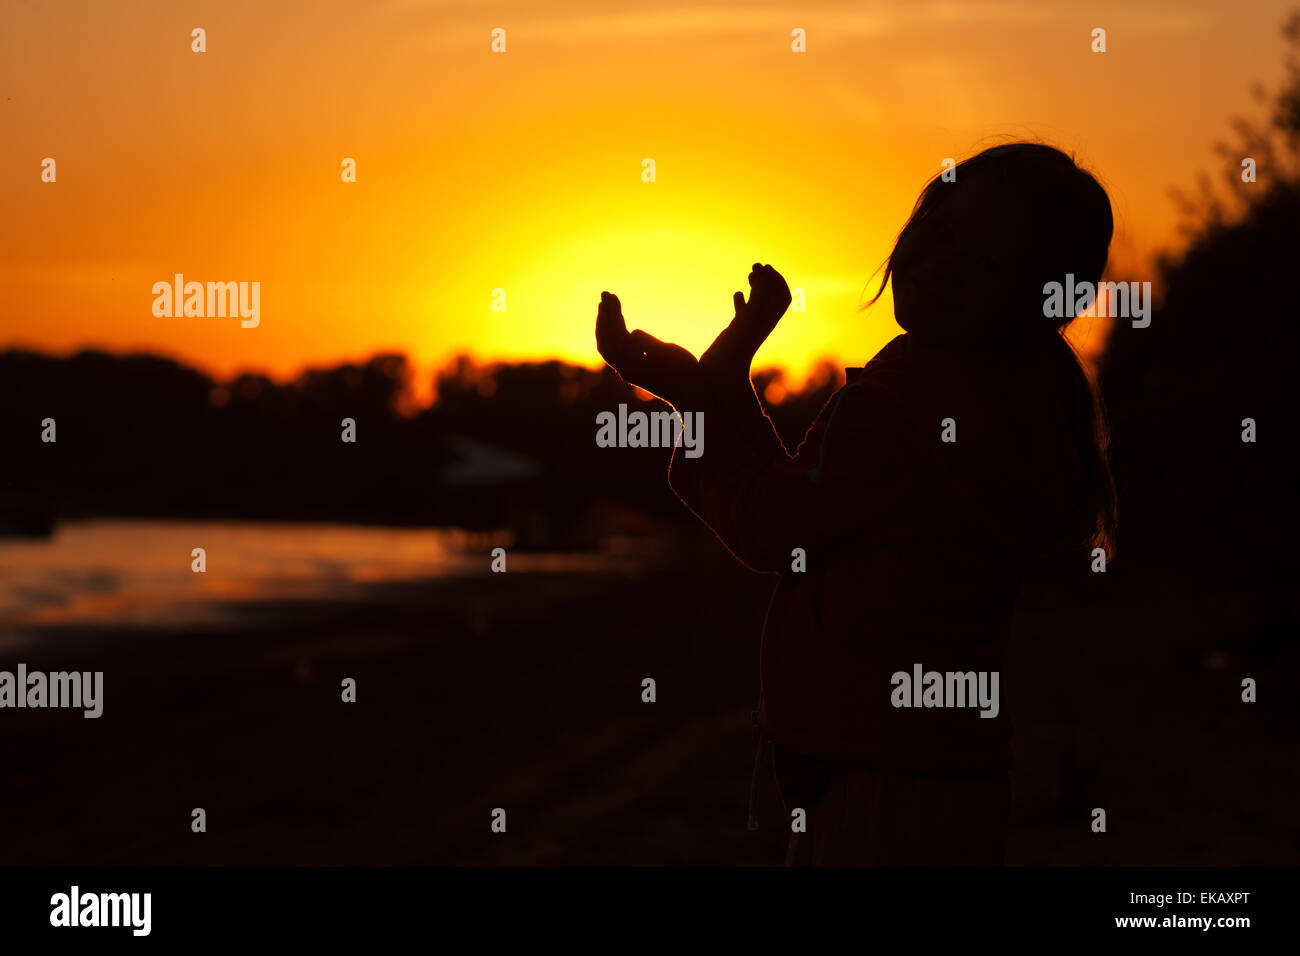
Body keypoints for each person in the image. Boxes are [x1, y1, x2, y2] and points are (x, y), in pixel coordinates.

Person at [595, 142, 1118, 865]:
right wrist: (712, 389)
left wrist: (702, 394)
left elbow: (770, 524)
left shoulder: (909, 404)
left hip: (876, 769)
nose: (944, 270)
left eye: (989, 265)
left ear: (1041, 304)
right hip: (955, 769)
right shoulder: (1019, 399)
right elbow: (811, 508)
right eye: (941, 234)